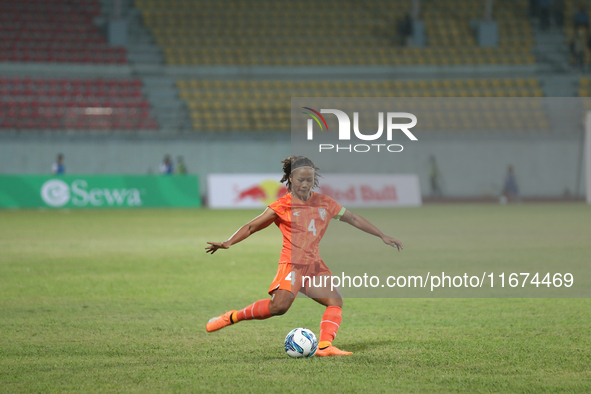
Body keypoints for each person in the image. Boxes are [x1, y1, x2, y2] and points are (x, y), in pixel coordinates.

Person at [205, 156, 403, 356]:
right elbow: (251, 226)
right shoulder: (283, 205)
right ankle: (232, 317)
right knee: (279, 308)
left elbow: (352, 218)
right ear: (290, 178)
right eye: (300, 180)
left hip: (315, 265)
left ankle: (325, 346)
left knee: (335, 300)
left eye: (309, 180)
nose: (305, 184)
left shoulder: (324, 202)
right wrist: (228, 242)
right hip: (292, 265)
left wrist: (381, 235)